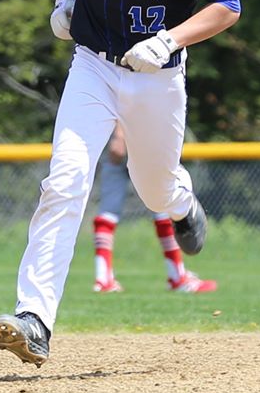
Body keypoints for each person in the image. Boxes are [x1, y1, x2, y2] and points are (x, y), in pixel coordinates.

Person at [0, 0, 245, 367]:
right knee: (64, 182)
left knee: (153, 187)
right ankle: (34, 319)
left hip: (155, 76)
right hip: (92, 66)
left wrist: (170, 40)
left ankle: (181, 205)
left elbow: (228, 5)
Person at [93, 122, 218, 293]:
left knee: (110, 213)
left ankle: (103, 279)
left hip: (123, 134)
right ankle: (177, 277)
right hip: (139, 137)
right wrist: (120, 134)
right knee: (162, 205)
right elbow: (127, 97)